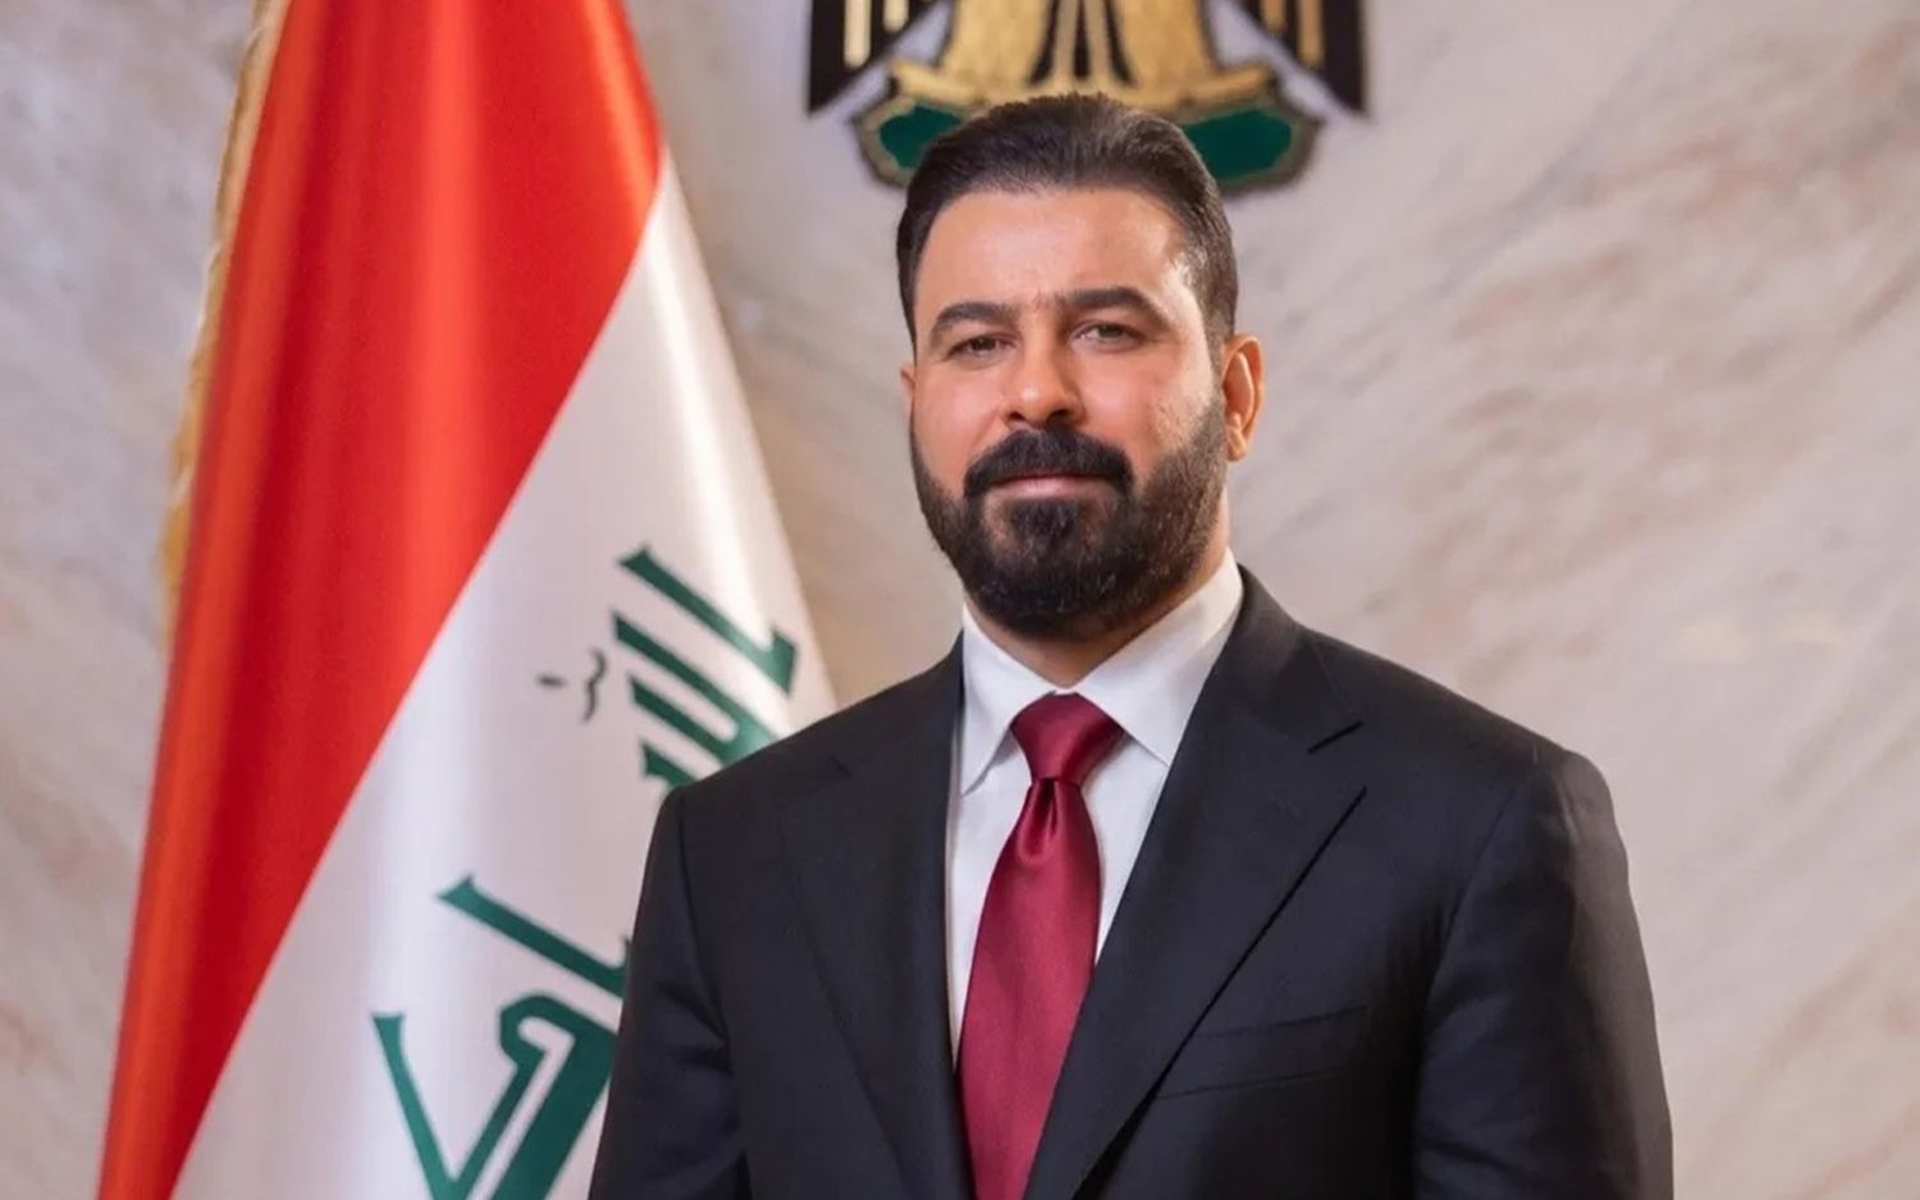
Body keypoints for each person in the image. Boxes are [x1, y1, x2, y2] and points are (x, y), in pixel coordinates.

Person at [588, 95, 1671, 1199]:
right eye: (978, 343)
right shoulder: (733, 854)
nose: (1036, 393)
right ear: (916, 405)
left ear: (1236, 396)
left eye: (1106, 330)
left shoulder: (1484, 823)